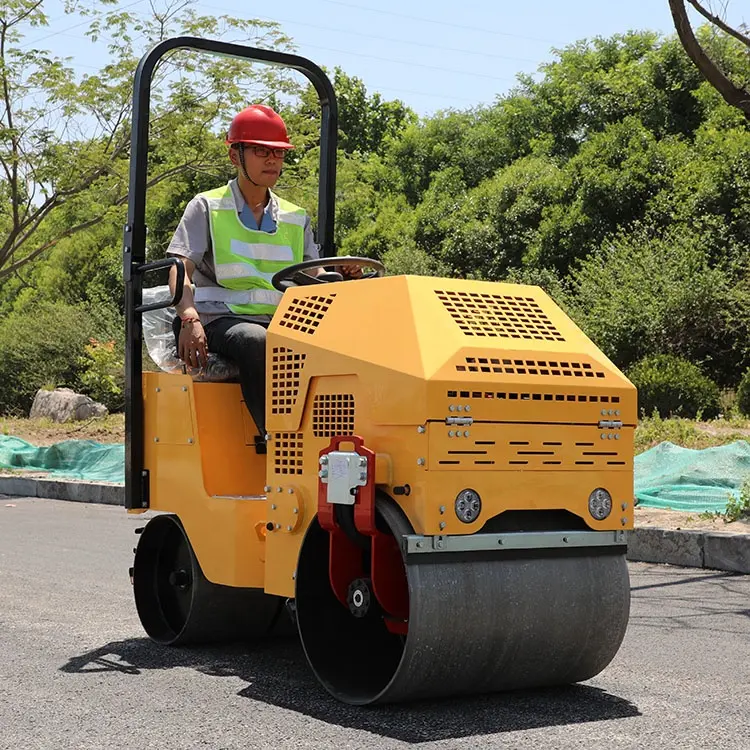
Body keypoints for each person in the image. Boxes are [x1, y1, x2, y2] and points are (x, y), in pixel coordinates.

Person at [167, 104, 344, 452]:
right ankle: (279, 441)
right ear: (236, 155)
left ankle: (338, 443)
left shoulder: (295, 217)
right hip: (216, 322)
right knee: (255, 340)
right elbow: (178, 270)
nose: (272, 161)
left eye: (277, 153)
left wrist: (339, 275)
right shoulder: (207, 206)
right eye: (261, 151)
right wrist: (189, 319)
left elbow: (314, 274)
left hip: (280, 324)